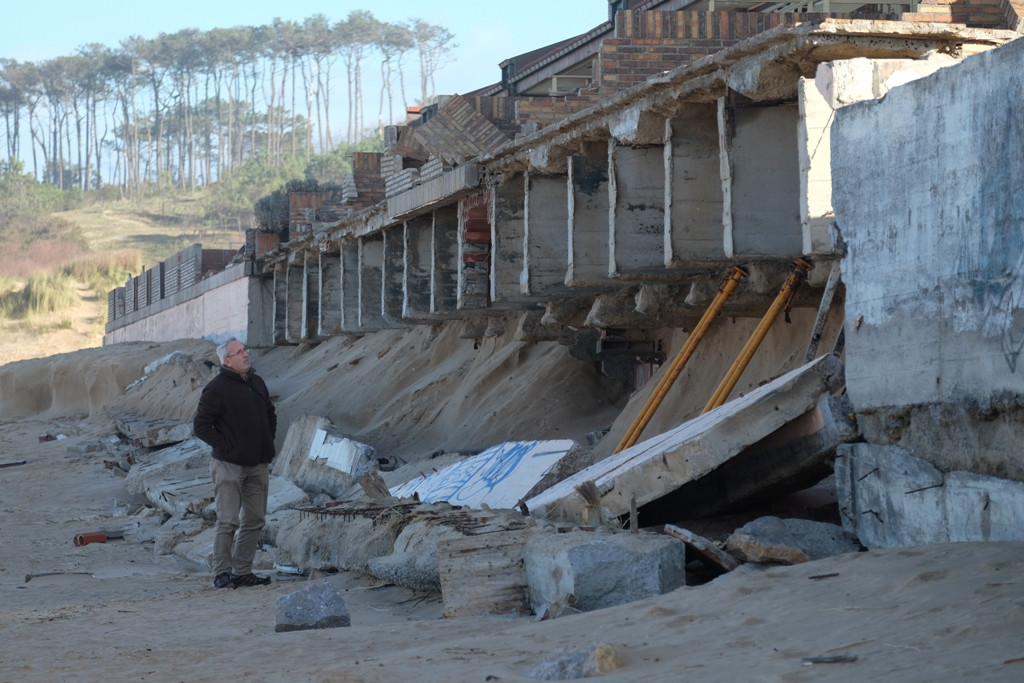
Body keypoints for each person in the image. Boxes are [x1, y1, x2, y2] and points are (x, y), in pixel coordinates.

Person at [193, 337, 277, 589]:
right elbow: (201, 426)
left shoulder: (256, 382)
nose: (246, 354)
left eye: (245, 350)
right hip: (228, 466)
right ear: (227, 361)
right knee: (228, 521)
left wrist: (266, 441)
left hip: (258, 464)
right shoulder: (216, 388)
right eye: (239, 352)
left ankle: (243, 572)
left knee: (254, 520)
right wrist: (228, 447)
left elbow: (270, 413)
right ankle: (222, 574)